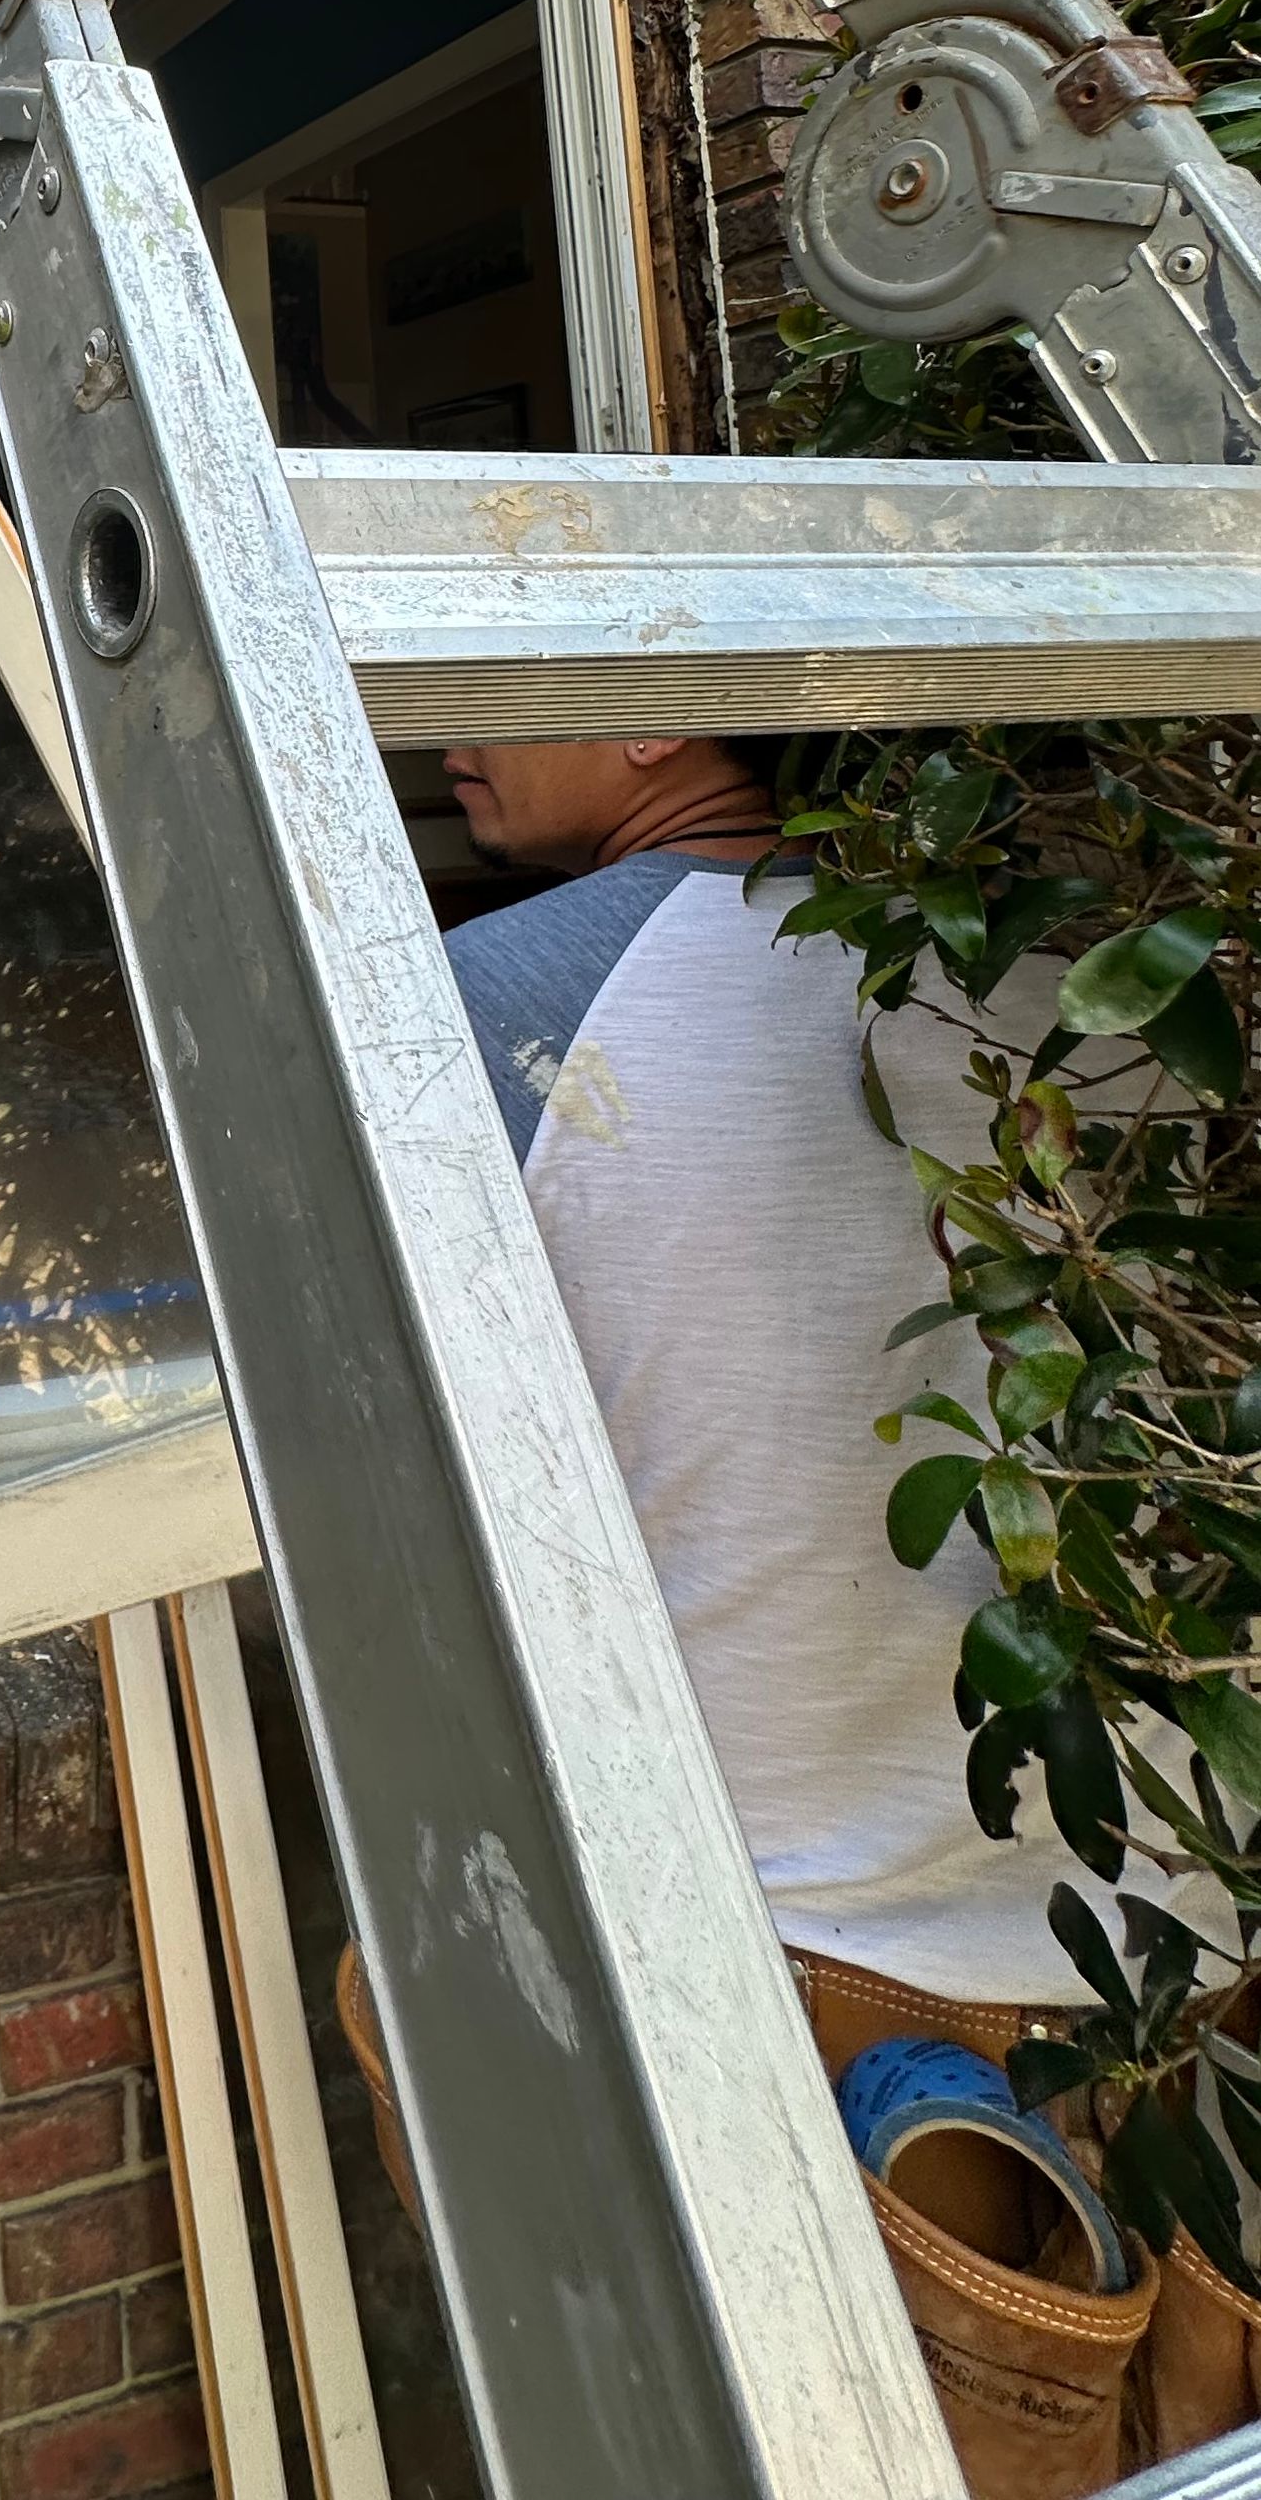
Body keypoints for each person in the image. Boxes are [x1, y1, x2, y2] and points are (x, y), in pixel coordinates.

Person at [438, 726, 1091, 2003]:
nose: (449, 721)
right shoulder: (1072, 988)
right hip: (1144, 1917)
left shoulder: (482, 1000)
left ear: (657, 716)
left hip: (757, 1947)